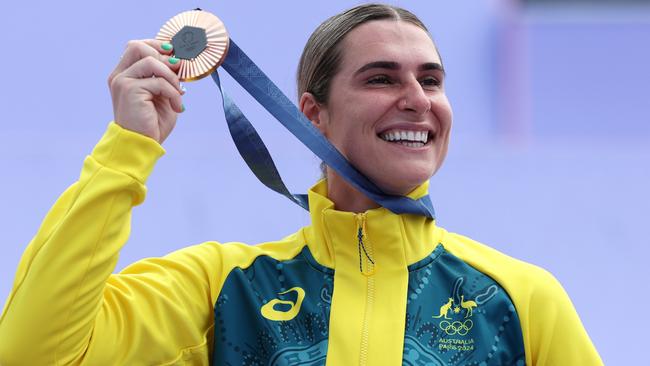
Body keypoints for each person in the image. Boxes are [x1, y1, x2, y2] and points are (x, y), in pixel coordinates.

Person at [0, 4, 602, 365]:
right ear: (311, 113)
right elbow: (33, 353)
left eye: (432, 79)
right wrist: (127, 150)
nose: (417, 100)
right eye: (381, 79)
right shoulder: (223, 289)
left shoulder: (519, 301)